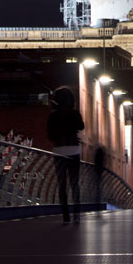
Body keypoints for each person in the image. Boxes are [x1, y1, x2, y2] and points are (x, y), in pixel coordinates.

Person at [47, 86, 85, 224]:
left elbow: (49, 135)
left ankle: (66, 217)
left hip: (59, 150)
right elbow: (81, 126)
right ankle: (77, 215)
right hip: (73, 149)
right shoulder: (74, 113)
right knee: (75, 183)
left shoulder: (53, 115)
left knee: (62, 184)